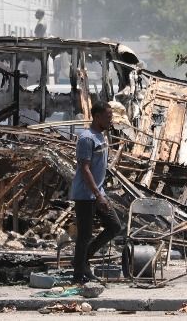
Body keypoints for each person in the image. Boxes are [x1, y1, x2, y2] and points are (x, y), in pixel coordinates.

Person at [69, 100, 122, 284]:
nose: (111, 120)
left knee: (115, 226)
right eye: (108, 117)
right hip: (86, 194)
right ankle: (78, 274)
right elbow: (85, 169)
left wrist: (100, 192)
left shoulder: (102, 136)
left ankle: (82, 260)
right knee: (84, 235)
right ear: (97, 116)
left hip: (98, 192)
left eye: (111, 117)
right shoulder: (87, 138)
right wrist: (98, 195)